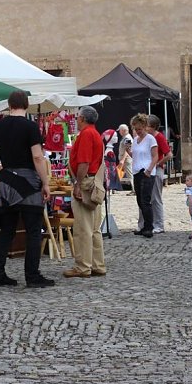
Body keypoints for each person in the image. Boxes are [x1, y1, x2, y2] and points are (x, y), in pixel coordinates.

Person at [0, 90, 54, 289]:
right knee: (33, 230)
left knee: (7, 229)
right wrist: (45, 182)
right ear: (26, 105)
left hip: (8, 181)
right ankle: (32, 275)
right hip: (28, 181)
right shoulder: (30, 127)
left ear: (9, 105)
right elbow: (37, 157)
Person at [64, 106, 107, 278]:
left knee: (83, 228)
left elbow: (84, 162)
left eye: (77, 118)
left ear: (82, 118)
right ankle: (97, 264)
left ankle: (83, 266)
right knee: (94, 228)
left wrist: (77, 184)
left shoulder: (86, 134)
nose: (76, 120)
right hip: (93, 181)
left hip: (86, 182)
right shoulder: (95, 133)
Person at [129, 114, 158, 238]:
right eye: (136, 129)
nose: (137, 131)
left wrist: (150, 169)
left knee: (146, 200)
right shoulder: (135, 140)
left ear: (145, 127)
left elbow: (155, 156)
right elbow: (135, 155)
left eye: (139, 129)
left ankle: (149, 227)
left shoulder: (150, 139)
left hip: (147, 171)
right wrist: (127, 151)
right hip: (137, 171)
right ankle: (144, 226)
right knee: (139, 200)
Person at [145, 114, 173, 234]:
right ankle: (150, 223)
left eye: (147, 126)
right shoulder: (147, 137)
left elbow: (169, 155)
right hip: (149, 169)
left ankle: (159, 224)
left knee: (156, 198)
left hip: (157, 170)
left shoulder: (159, 137)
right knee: (148, 197)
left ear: (153, 127)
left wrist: (158, 163)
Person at [102, 129, 122, 194]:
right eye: (115, 136)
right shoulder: (108, 151)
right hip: (110, 170)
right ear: (110, 137)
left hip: (112, 169)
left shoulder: (109, 150)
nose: (116, 138)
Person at [117, 124, 133, 193]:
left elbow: (128, 150)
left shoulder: (127, 138)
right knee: (120, 173)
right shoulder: (126, 137)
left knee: (130, 174)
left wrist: (122, 160)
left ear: (123, 130)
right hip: (125, 159)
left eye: (120, 130)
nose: (119, 132)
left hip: (126, 159)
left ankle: (134, 189)